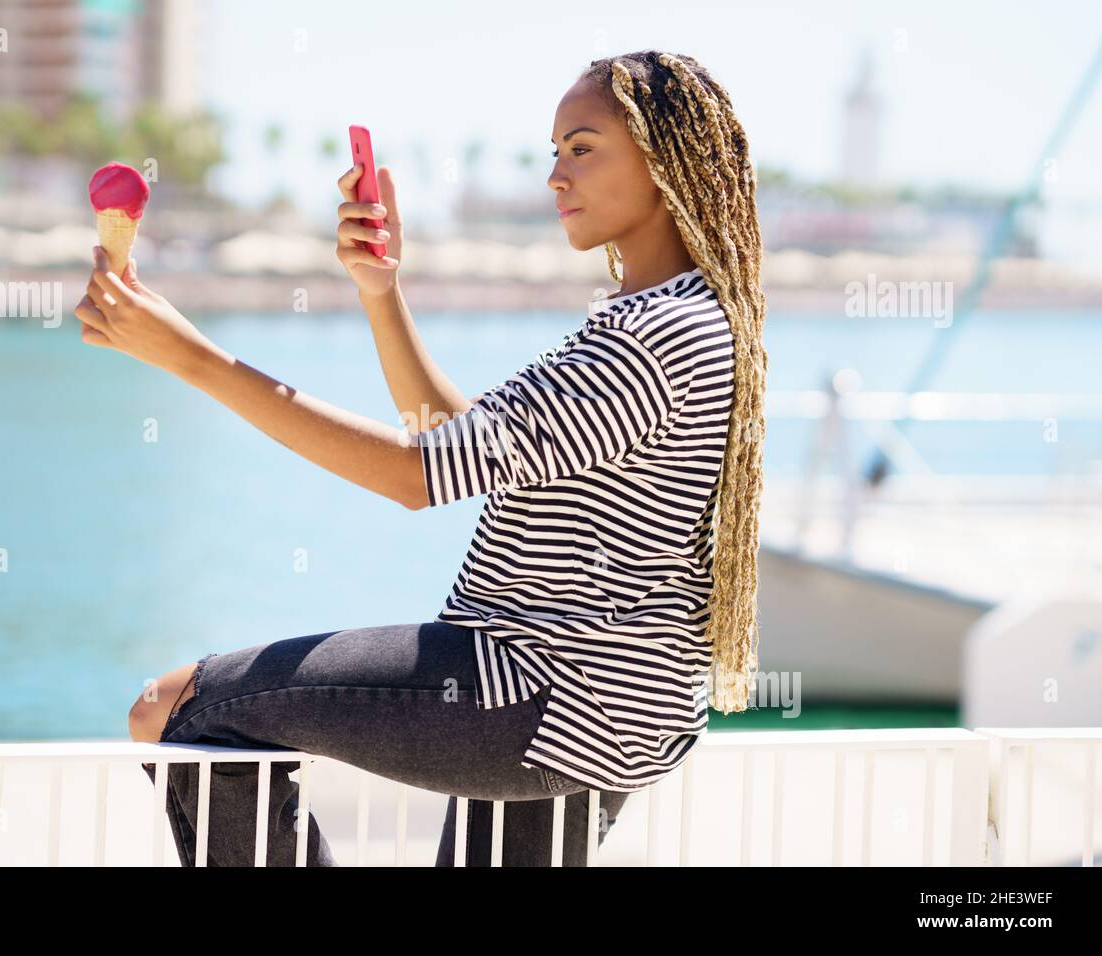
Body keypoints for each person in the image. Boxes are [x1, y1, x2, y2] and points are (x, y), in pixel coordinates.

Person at [79, 49, 768, 867]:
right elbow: (462, 443)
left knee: (176, 709)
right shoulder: (690, 318)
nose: (555, 176)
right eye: (554, 152)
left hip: (535, 693)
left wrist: (191, 358)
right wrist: (382, 293)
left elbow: (415, 477)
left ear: (666, 160)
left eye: (582, 148)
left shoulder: (644, 338)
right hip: (617, 717)